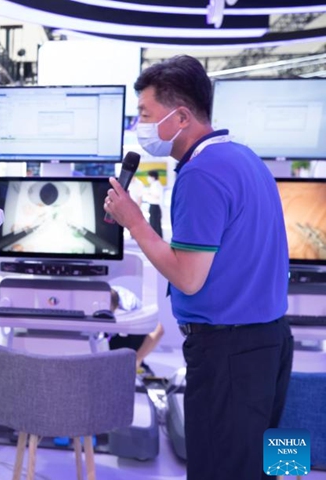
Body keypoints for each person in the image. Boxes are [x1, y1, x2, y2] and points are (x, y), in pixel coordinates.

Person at [103, 55, 291, 480]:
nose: (139, 126)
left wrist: (133, 220)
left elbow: (188, 276)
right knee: (269, 466)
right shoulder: (245, 159)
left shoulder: (201, 173)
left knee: (217, 469)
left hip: (229, 357)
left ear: (181, 115)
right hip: (274, 343)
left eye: (145, 114)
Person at [107, 287, 164, 375]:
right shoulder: (88, 299)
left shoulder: (130, 305)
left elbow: (158, 329)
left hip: (127, 340)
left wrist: (137, 359)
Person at [144, 170, 163, 238]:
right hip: (153, 205)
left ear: (153, 177)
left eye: (149, 177)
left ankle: (157, 238)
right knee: (153, 223)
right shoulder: (154, 184)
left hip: (155, 206)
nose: (148, 178)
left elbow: (157, 195)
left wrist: (148, 194)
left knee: (155, 223)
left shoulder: (156, 184)